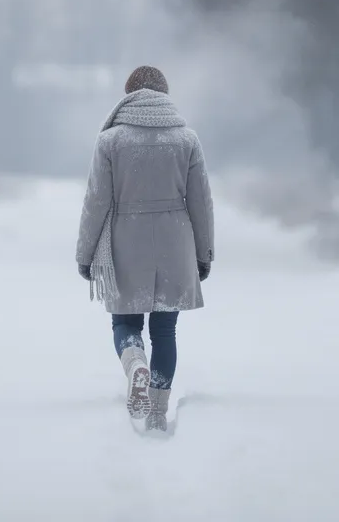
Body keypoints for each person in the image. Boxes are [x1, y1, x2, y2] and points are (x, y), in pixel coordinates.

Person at [75, 65, 214, 434]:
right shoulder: (187, 139)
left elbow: (96, 202)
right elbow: (201, 203)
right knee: (165, 331)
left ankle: (135, 361)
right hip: (176, 243)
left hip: (127, 241)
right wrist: (204, 253)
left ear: (129, 95)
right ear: (164, 95)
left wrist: (85, 254)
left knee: (125, 322)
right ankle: (156, 411)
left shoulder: (111, 142)